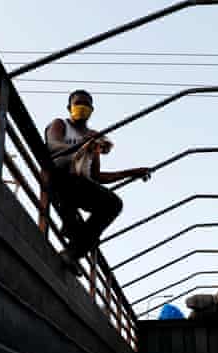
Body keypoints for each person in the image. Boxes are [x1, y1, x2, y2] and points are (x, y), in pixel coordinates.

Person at [44, 90, 151, 273]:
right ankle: (75, 239)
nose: (81, 107)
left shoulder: (94, 136)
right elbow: (53, 145)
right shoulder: (60, 124)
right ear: (69, 107)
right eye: (78, 103)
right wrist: (81, 146)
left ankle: (72, 250)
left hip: (82, 186)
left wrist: (131, 172)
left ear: (91, 110)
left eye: (86, 104)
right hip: (61, 179)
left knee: (113, 204)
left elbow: (97, 176)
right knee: (86, 234)